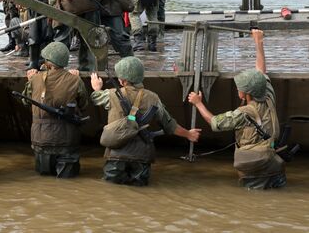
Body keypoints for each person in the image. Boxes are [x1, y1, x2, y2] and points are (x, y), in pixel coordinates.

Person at [188, 30, 286, 189]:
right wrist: (258, 42)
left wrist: (198, 103)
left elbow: (215, 123)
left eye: (239, 87)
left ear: (246, 93)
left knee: (253, 201)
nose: (237, 89)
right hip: (273, 164)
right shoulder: (268, 96)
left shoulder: (244, 113)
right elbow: (261, 72)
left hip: (256, 167)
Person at [90, 57, 201, 185]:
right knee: (140, 190)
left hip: (116, 154)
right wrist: (189, 134)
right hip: (142, 156)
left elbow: (95, 99)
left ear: (122, 80)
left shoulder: (111, 94)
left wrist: (97, 89)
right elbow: (169, 125)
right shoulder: (153, 98)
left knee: (111, 190)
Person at [21, 42, 88, 178]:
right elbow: (84, 105)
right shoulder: (75, 80)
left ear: (48, 62)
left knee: (43, 181)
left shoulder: (35, 79)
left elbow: (25, 101)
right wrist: (75, 78)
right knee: (68, 182)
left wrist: (31, 80)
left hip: (41, 140)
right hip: (67, 141)